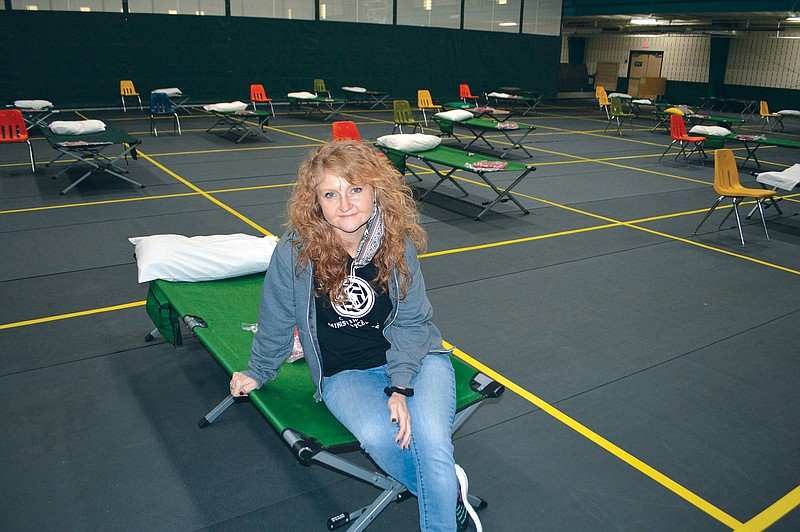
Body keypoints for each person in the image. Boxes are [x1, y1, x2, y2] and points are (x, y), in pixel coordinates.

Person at [229, 140, 475, 531]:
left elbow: (412, 321)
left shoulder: (397, 244)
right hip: (345, 373)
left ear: (376, 190)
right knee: (381, 439)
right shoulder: (294, 251)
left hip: (416, 360)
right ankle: (450, 496)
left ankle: (444, 504)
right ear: (316, 202)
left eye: (355, 189)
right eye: (331, 193)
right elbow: (275, 314)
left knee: (431, 443)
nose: (345, 204)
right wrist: (259, 370)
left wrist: (401, 386)